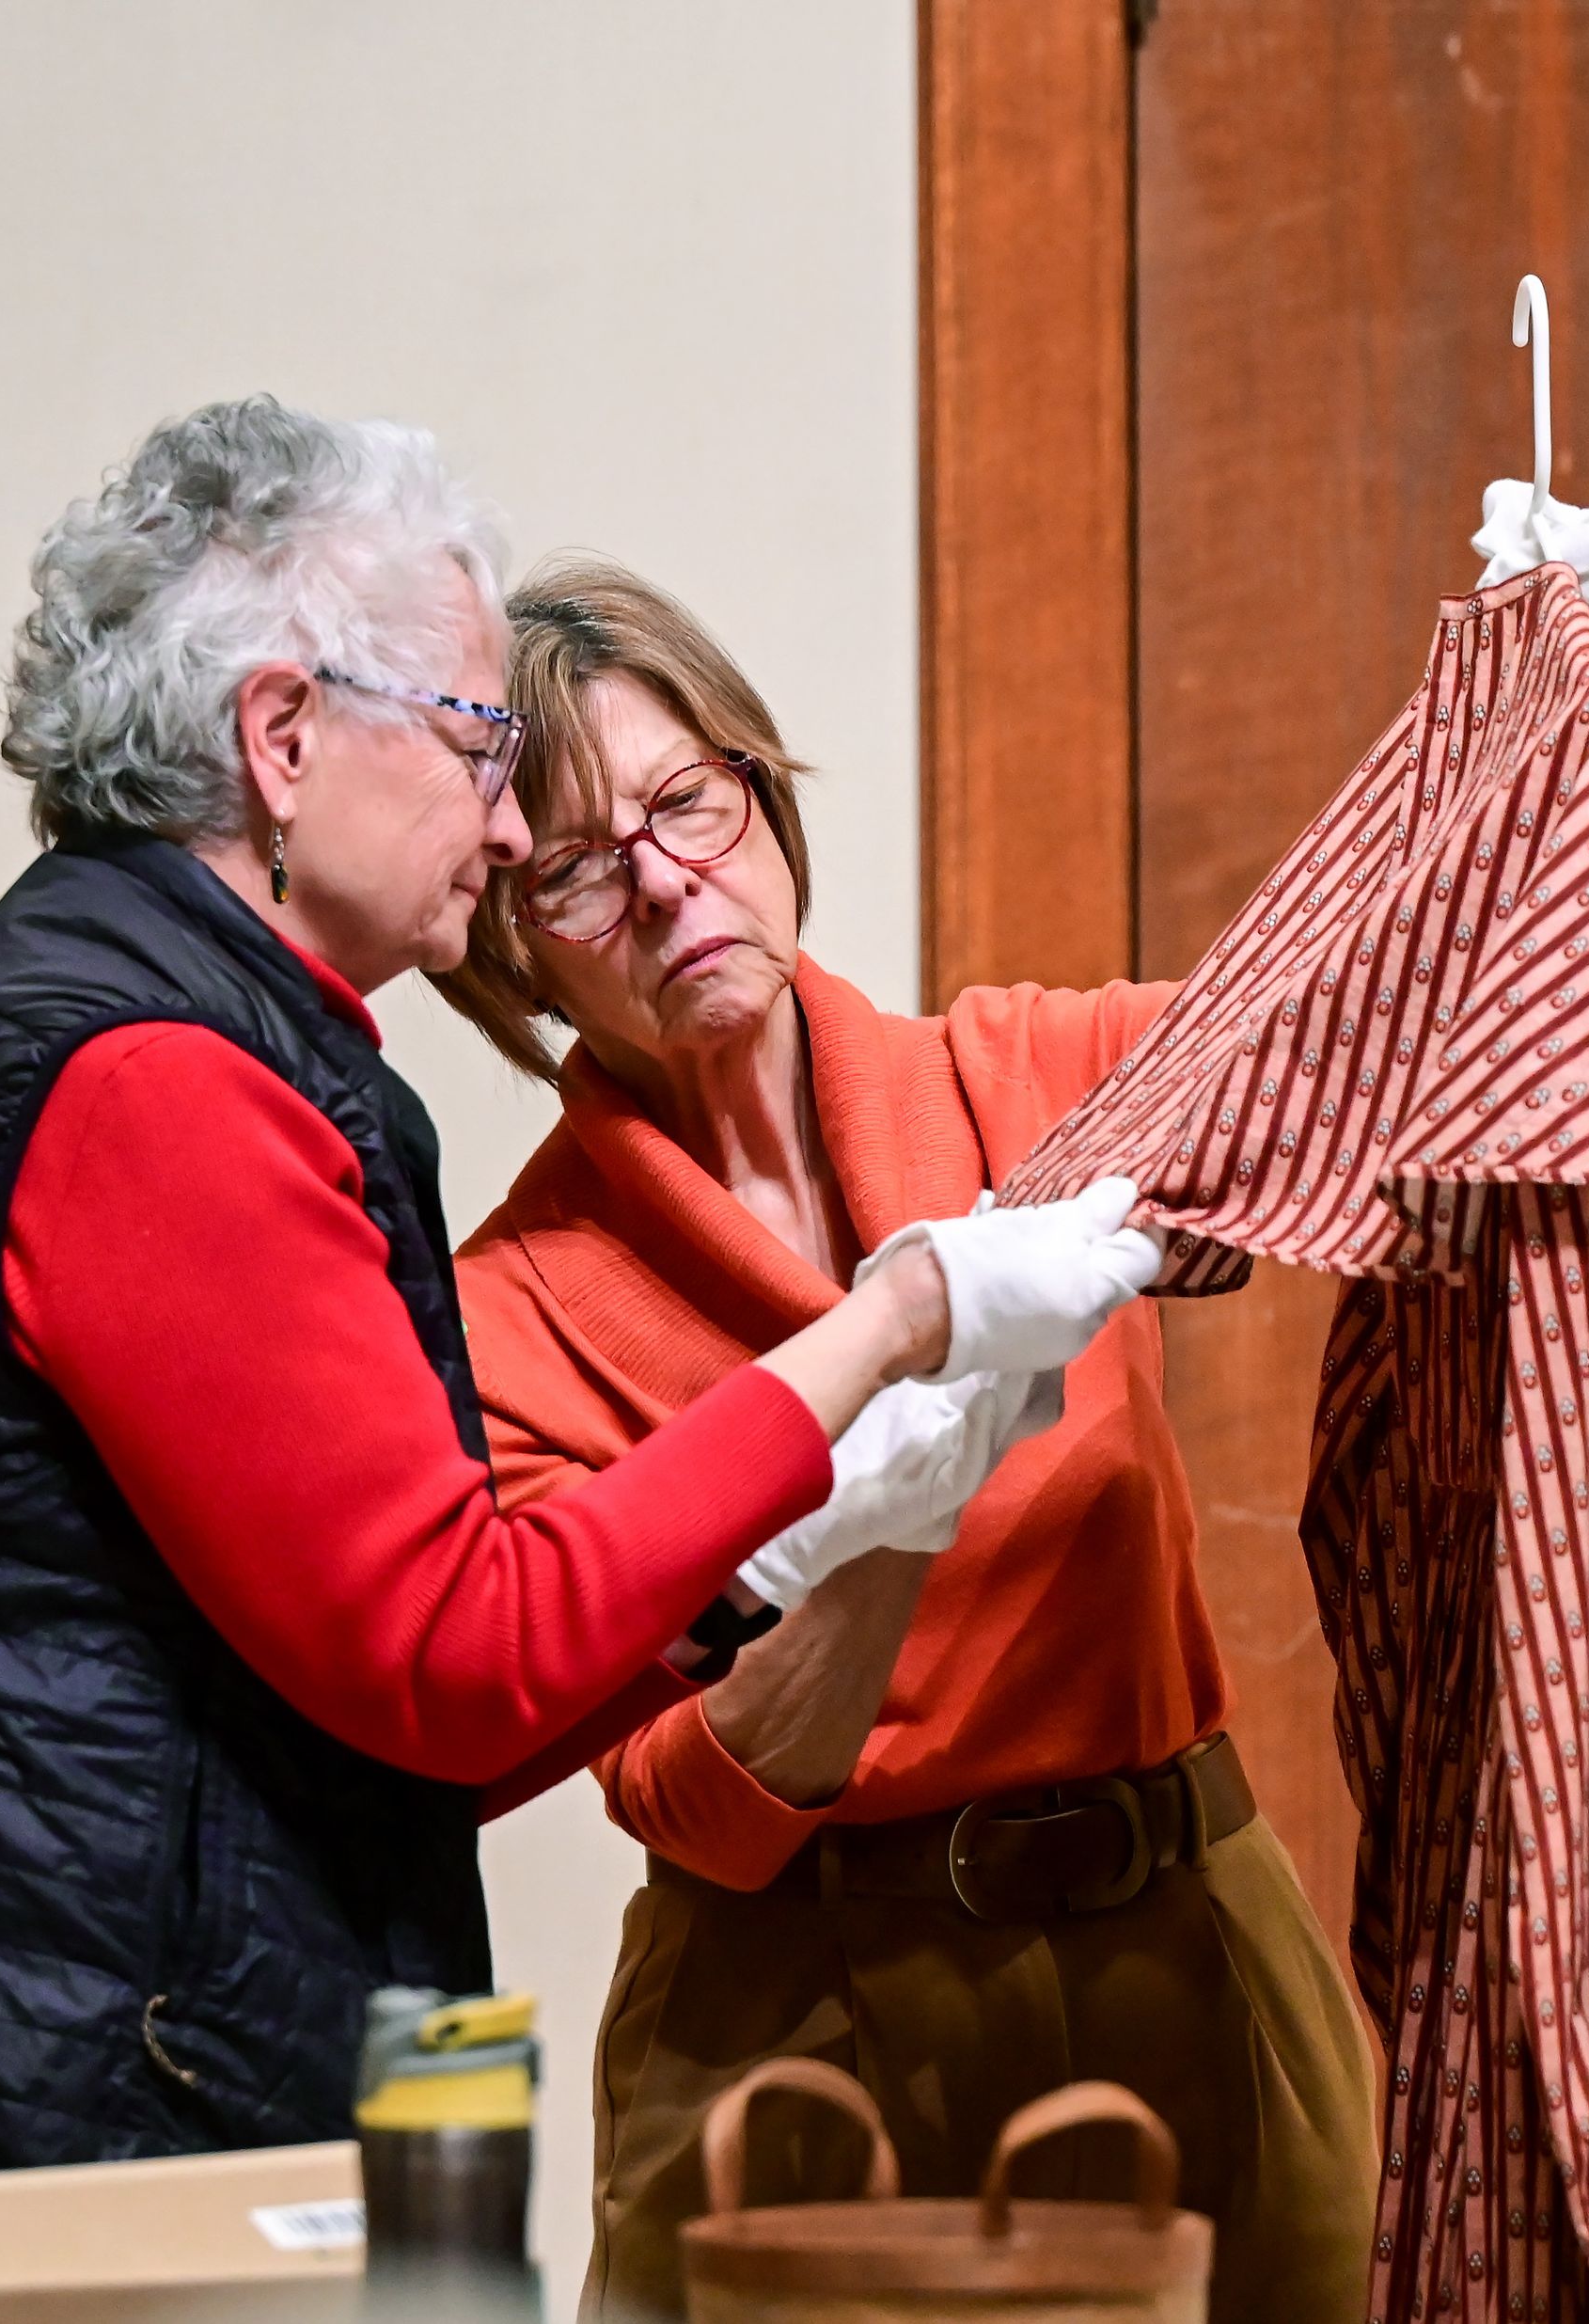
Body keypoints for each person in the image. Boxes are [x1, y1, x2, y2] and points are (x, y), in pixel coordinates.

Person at [0, 401, 1154, 2177]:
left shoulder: (205, 1040)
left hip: (11, 2001)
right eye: (486, 747)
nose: (506, 837)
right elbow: (450, 1659)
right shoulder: (155, 1082)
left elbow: (392, 1708)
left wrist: (785, 1541)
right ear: (281, 736)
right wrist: (890, 1326)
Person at [433, 557, 1379, 2320]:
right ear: (515, 952)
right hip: (792, 2035)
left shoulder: (1033, 1083)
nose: (661, 882)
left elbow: (1355, 1036)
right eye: (574, 865)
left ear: (767, 792)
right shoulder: (515, 1314)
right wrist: (885, 1520)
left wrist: (1526, 727)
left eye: (688, 802)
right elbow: (700, 1801)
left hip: (1185, 1952)